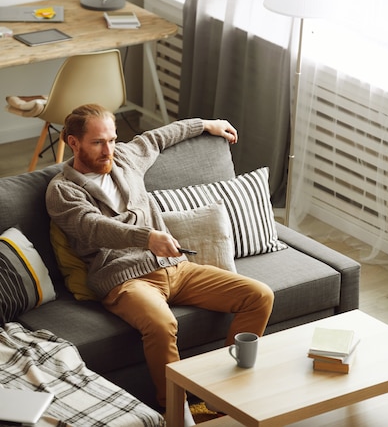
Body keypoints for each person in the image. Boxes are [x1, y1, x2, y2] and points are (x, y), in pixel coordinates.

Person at [46, 104, 274, 426]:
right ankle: (176, 413)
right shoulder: (62, 190)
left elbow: (158, 137)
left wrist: (207, 124)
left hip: (176, 268)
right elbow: (93, 227)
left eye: (112, 139)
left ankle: (224, 396)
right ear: (73, 142)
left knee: (259, 296)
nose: (108, 149)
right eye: (98, 142)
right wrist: (147, 238)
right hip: (124, 281)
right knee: (161, 323)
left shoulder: (125, 158)